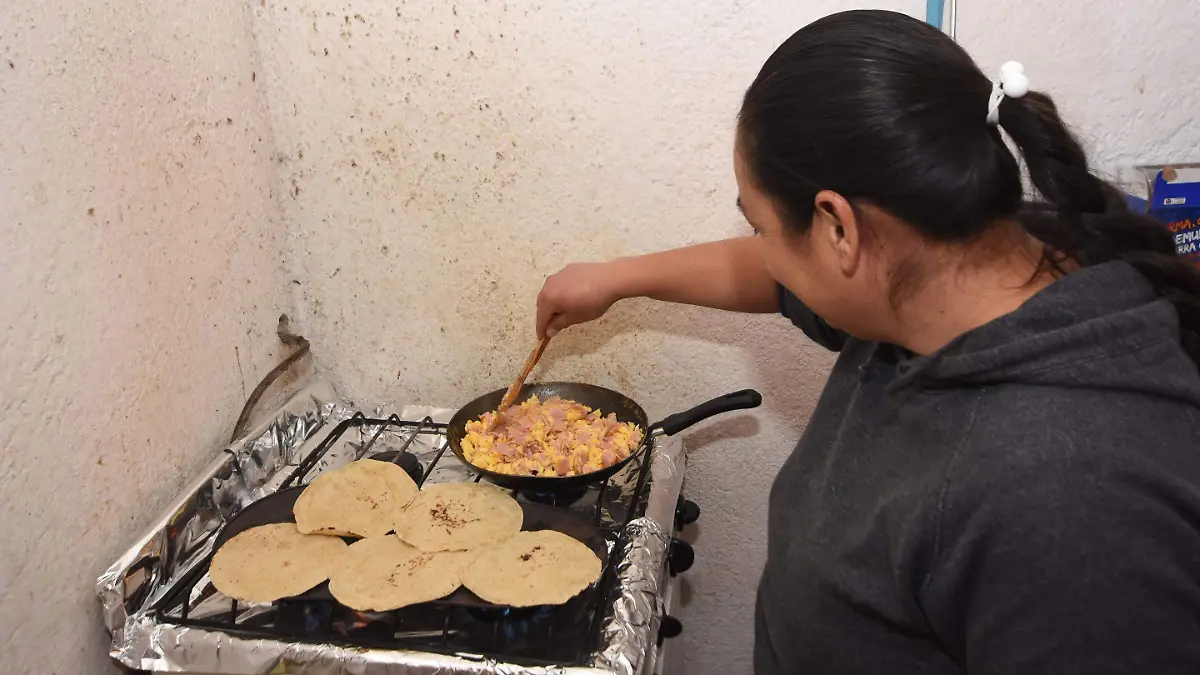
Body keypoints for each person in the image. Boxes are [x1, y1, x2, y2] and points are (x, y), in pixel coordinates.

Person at [534, 9, 1200, 675]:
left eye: (763, 226)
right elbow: (771, 274)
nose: (764, 252)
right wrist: (614, 279)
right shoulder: (965, 258)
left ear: (839, 229)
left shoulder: (1068, 503)